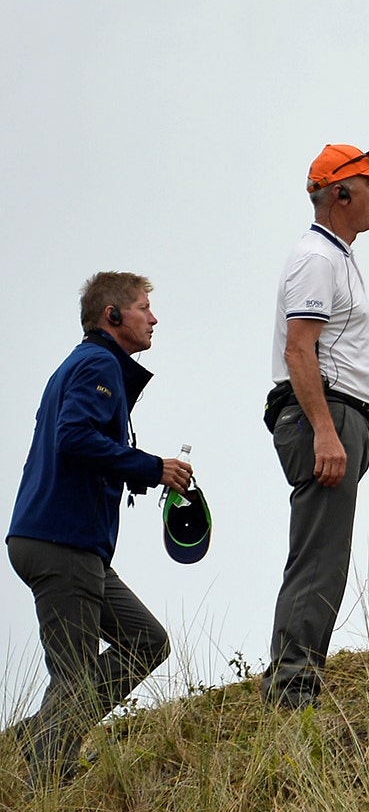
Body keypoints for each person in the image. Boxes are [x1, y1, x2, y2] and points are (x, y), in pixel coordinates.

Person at [6, 273, 193, 789]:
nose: (153, 318)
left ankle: (38, 736)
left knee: (146, 640)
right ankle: (47, 781)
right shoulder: (97, 362)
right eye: (144, 307)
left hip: (68, 544)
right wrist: (154, 467)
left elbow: (78, 441)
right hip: (62, 543)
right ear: (113, 316)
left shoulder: (85, 364)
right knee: (74, 676)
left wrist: (145, 470)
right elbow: (75, 438)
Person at [261, 144, 369, 708]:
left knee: (324, 554)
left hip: (339, 414)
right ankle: (292, 686)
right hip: (325, 413)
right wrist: (324, 430)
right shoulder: (317, 257)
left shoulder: (334, 255)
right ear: (341, 193)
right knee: (320, 556)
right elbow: (299, 349)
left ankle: (293, 678)